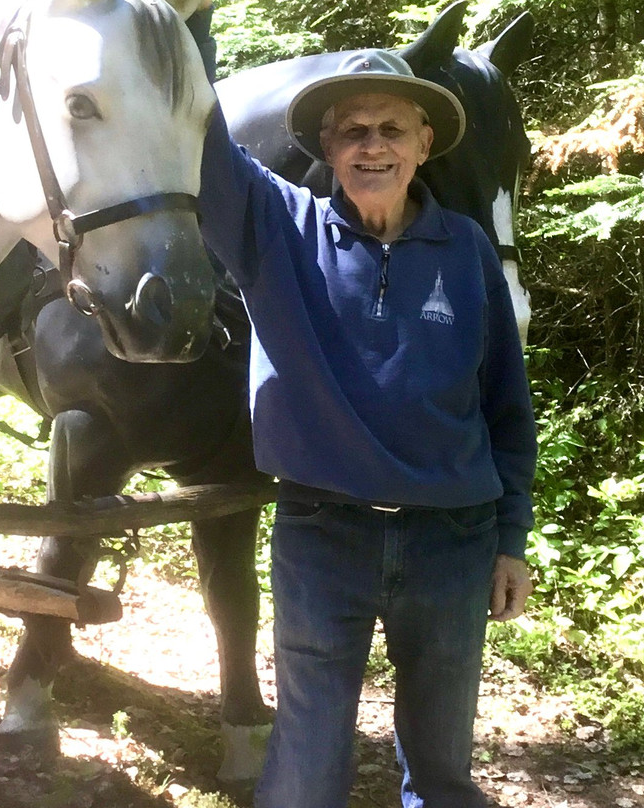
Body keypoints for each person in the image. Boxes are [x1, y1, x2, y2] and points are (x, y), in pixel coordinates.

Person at [187, 22, 539, 808]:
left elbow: (508, 412)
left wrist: (510, 539)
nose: (371, 146)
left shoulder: (469, 251)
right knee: (305, 770)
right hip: (324, 536)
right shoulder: (277, 229)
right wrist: (191, 22)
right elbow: (197, 133)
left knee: (444, 771)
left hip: (454, 542)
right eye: (353, 130)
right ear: (327, 145)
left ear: (423, 144)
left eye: (390, 129)